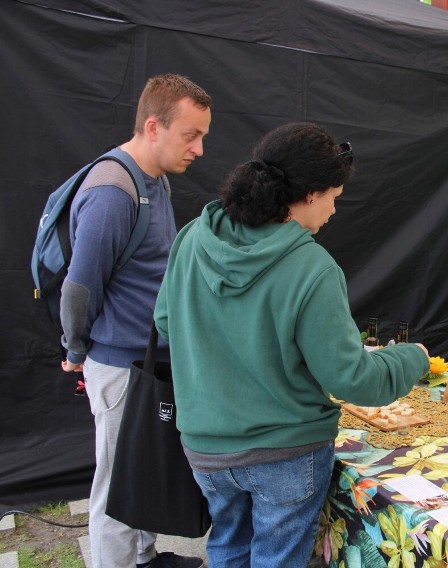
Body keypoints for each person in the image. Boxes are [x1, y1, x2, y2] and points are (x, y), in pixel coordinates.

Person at [153, 122, 430, 567]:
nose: (334, 211)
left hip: (205, 447)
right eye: (334, 197)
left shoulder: (192, 239)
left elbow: (165, 324)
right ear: (308, 195)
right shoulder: (311, 268)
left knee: (227, 546)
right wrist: (412, 358)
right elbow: (352, 377)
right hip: (284, 452)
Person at [59, 75, 211, 568]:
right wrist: (76, 350)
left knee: (139, 472)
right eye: (191, 135)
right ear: (153, 126)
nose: (200, 149)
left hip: (145, 363)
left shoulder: (155, 180)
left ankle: (142, 559)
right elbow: (80, 288)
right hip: (119, 367)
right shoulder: (112, 191)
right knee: (115, 486)